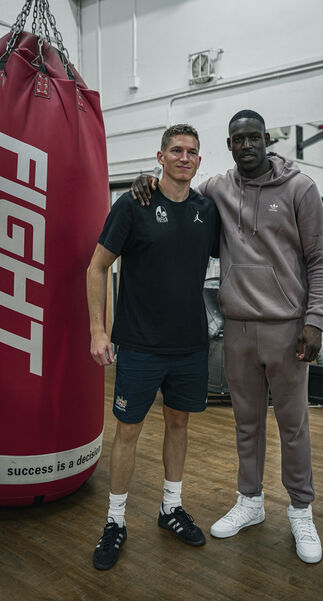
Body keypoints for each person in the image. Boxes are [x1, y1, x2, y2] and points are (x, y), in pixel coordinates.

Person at [130, 110, 323, 564]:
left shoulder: (300, 188)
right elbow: (178, 191)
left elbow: (321, 257)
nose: (247, 146)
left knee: (294, 425)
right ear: (228, 145)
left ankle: (301, 510)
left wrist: (316, 320)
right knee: (247, 423)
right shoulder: (218, 188)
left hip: (287, 327)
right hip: (238, 326)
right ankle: (250, 501)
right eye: (238, 140)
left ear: (266, 139)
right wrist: (146, 181)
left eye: (253, 138)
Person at [87, 124, 220, 570]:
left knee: (179, 424)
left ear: (199, 161)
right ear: (160, 157)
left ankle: (171, 508)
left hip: (190, 345)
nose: (184, 157)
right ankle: (115, 520)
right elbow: (96, 267)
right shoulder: (134, 204)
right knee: (128, 430)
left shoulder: (206, 210)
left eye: (192, 152)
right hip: (140, 345)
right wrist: (98, 331)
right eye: (176, 150)